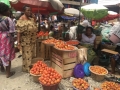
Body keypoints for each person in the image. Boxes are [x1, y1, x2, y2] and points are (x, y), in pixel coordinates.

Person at [16, 5, 37, 72]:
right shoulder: (21, 19)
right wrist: (18, 42)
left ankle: (30, 67)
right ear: (24, 11)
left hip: (32, 40)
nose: (29, 11)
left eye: (30, 10)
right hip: (25, 41)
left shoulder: (31, 19)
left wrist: (35, 19)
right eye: (28, 10)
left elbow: (35, 27)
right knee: (27, 55)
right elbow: (19, 32)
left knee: (31, 55)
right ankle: (27, 69)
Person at [0, 2, 15, 78]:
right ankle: (8, 73)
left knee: (1, 54)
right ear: (3, 11)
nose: (9, 12)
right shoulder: (7, 19)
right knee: (7, 55)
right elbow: (12, 31)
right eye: (7, 10)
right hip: (6, 38)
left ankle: (2, 68)